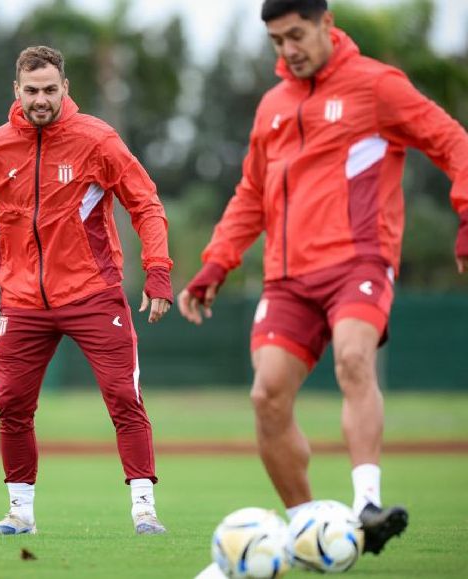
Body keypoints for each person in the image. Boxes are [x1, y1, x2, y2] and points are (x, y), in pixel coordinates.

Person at [178, 0, 468, 556]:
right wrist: (217, 262)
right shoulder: (272, 107)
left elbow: (450, 139)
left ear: (326, 25)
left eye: (297, 35)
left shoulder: (377, 86)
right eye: (277, 41)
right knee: (267, 395)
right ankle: (310, 527)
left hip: (359, 260)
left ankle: (367, 506)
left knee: (354, 359)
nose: (288, 49)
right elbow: (251, 193)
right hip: (288, 279)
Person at [0, 45, 174, 536]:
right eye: (31, 90)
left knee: (124, 396)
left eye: (49, 90)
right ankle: (20, 514)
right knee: (11, 405)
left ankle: (145, 510)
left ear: (65, 89)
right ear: (16, 91)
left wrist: (158, 270)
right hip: (21, 300)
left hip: (93, 293)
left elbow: (145, 203)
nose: (41, 99)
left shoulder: (97, 139)